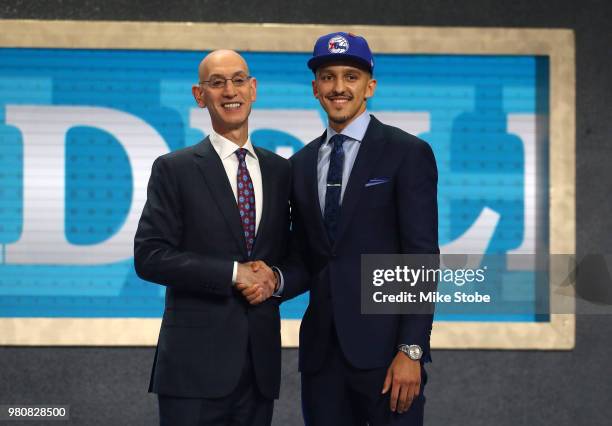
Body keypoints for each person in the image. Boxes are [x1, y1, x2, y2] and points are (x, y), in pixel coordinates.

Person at [279, 32, 440, 425]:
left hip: (388, 356)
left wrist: (411, 349)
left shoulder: (407, 153)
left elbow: (421, 256)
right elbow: (308, 257)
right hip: (322, 357)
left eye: (350, 77)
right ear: (315, 88)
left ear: (370, 86)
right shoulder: (299, 165)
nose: (339, 87)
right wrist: (275, 280)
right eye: (328, 76)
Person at [134, 49, 290, 426]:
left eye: (238, 80)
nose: (229, 90)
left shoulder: (282, 171)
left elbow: (300, 256)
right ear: (199, 95)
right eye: (216, 82)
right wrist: (234, 274)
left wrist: (276, 279)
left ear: (253, 89)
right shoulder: (175, 169)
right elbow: (150, 256)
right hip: (192, 372)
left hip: (259, 370)